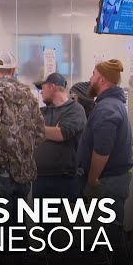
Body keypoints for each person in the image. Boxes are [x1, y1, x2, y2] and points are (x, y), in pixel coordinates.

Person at [0, 51, 45, 234]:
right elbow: (40, 131)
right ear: (14, 70)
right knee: (18, 225)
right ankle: (19, 262)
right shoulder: (28, 93)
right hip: (24, 170)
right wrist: (24, 150)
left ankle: (2, 263)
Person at [77, 59, 132, 265]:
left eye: (92, 74)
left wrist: (92, 179)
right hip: (112, 180)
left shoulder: (107, 108)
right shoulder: (114, 103)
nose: (90, 79)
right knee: (110, 237)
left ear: (101, 79)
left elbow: (103, 149)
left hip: (106, 182)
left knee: (112, 237)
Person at [33, 72, 87, 202]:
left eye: (43, 88)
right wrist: (50, 131)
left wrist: (38, 130)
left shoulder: (75, 110)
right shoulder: (41, 112)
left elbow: (61, 134)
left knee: (65, 221)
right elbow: (27, 133)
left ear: (53, 87)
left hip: (65, 180)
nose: (41, 92)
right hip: (40, 179)